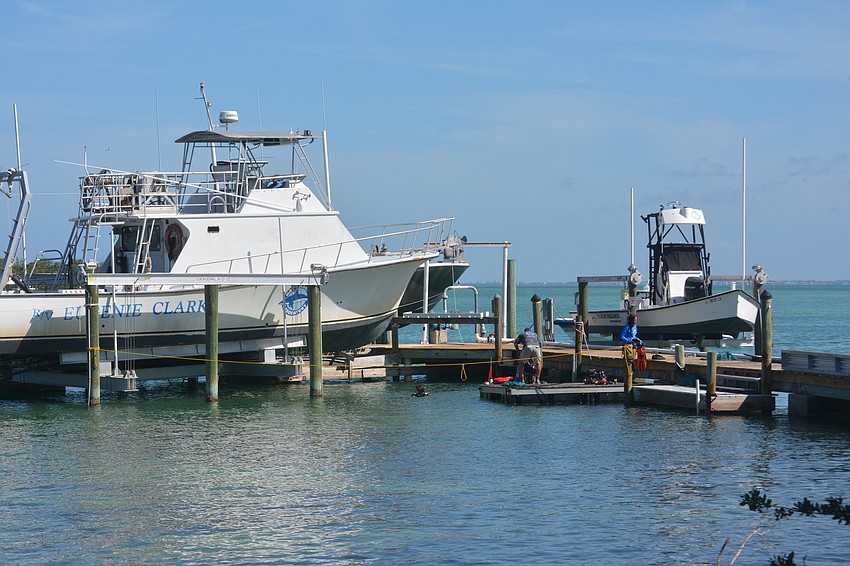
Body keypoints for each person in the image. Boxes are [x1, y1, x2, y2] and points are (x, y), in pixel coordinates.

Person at [620, 314, 642, 382]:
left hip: (634, 345)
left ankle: (632, 375)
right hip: (627, 346)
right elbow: (622, 336)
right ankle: (628, 377)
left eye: (636, 320)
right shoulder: (627, 327)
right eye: (634, 320)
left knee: (633, 360)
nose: (635, 321)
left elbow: (634, 336)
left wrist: (638, 340)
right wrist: (629, 340)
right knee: (629, 360)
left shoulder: (635, 326)